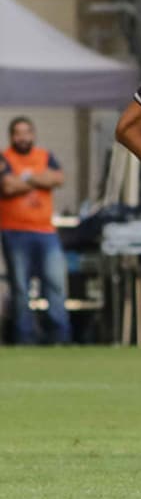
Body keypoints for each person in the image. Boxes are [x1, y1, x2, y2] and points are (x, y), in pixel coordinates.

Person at [0, 117, 69, 346]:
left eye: (27, 132)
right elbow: (7, 186)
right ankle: (24, 340)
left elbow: (58, 178)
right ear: (12, 136)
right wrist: (41, 180)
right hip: (15, 232)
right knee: (21, 289)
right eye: (18, 133)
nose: (23, 137)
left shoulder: (44, 155)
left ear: (33, 134)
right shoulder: (5, 158)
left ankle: (60, 340)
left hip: (46, 232)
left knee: (55, 285)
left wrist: (25, 179)